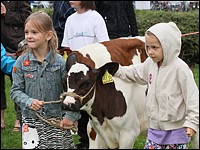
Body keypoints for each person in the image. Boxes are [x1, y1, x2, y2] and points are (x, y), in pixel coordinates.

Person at [114, 22, 199, 149]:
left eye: (155, 47)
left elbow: (193, 99)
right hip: (154, 129)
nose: (150, 52)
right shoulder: (150, 64)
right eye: (147, 47)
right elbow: (135, 73)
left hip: (175, 131)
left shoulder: (180, 69)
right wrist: (117, 70)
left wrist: (192, 123)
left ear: (168, 46)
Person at [10, 11, 80, 149]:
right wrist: (29, 102)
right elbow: (15, 91)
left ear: (48, 35)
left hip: (56, 120)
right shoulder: (21, 62)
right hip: (31, 121)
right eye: (26, 32)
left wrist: (71, 116)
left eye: (34, 32)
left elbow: (72, 94)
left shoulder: (60, 63)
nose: (29, 36)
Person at [61, 1, 109, 149]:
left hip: (91, 72)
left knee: (95, 108)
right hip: (75, 73)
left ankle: (102, 139)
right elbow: (67, 47)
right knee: (78, 106)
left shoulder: (95, 17)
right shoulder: (70, 19)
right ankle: (84, 141)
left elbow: (104, 45)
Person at [1, 1, 32, 132]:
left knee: (18, 84)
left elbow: (27, 17)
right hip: (1, 45)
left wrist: (6, 13)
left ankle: (19, 120)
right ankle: (1, 119)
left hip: (17, 46)